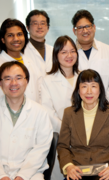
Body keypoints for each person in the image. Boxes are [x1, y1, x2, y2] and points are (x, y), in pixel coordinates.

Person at [0, 61, 53, 180]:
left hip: (30, 173)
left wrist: (22, 176)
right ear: (0, 83)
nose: (13, 83)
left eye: (18, 78)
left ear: (26, 81)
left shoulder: (40, 112)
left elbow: (41, 149)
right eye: (7, 79)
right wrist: (1, 176)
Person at [57, 69, 109, 180]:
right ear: (78, 90)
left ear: (100, 90)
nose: (89, 91)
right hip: (77, 172)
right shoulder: (69, 113)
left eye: (94, 86)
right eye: (84, 86)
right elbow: (63, 146)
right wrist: (69, 166)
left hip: (104, 172)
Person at [39, 35, 79, 179]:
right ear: (56, 55)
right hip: (60, 137)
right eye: (63, 52)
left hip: (84, 140)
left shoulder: (84, 77)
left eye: (72, 51)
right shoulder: (47, 81)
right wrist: (68, 130)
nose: (69, 55)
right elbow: (47, 111)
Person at [0, 18, 40, 102]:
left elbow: (38, 92)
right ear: (3, 40)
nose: (16, 39)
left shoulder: (30, 61)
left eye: (19, 34)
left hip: (35, 113)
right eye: (10, 35)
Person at [71, 10, 109, 101]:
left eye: (87, 26)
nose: (85, 31)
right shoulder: (68, 54)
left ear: (94, 27)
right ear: (74, 31)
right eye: (80, 28)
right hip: (76, 108)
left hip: (104, 106)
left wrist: (104, 103)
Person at [24, 9, 53, 76]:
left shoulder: (53, 51)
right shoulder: (22, 51)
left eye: (43, 23)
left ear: (48, 28)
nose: (39, 27)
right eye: (35, 23)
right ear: (28, 28)